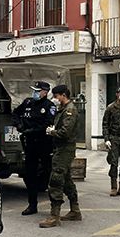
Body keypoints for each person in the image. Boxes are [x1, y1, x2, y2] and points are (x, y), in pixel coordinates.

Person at [39, 85, 81, 228]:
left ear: (63, 95)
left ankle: (54, 216)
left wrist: (52, 132)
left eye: (56, 96)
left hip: (64, 149)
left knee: (56, 180)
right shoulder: (63, 109)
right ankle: (75, 210)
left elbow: (65, 132)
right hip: (61, 149)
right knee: (67, 180)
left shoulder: (70, 110)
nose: (55, 99)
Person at [12, 81, 56, 216]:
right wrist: (19, 126)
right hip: (29, 144)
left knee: (49, 174)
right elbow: (15, 114)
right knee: (30, 174)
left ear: (45, 92)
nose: (35, 93)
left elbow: (48, 124)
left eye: (37, 90)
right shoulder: (27, 103)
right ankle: (32, 205)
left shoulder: (49, 106)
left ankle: (54, 206)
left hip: (44, 144)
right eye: (34, 90)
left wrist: (31, 130)